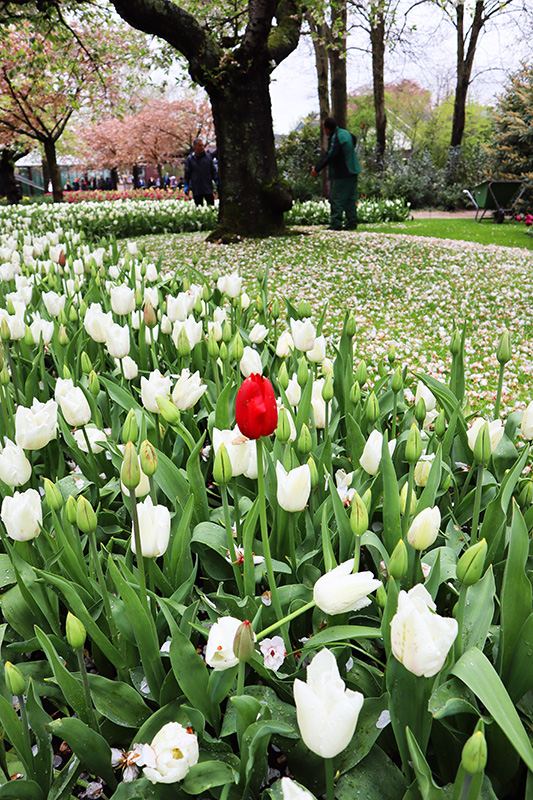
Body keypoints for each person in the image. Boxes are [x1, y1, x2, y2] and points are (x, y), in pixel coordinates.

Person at [310, 116, 361, 231]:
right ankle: (352, 223)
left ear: (328, 129)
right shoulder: (345, 133)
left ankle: (335, 224)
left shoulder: (335, 137)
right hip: (353, 169)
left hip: (344, 172)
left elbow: (330, 155)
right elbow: (353, 138)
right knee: (350, 198)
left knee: (336, 198)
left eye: (324, 128)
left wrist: (317, 169)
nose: (324, 130)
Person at [183, 139, 217, 206]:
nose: (202, 147)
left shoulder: (208, 157)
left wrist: (216, 179)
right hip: (197, 188)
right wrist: (186, 184)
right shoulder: (190, 159)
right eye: (200, 146)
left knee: (211, 206)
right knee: (199, 207)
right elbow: (187, 173)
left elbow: (213, 170)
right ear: (195, 147)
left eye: (202, 145)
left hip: (207, 187)